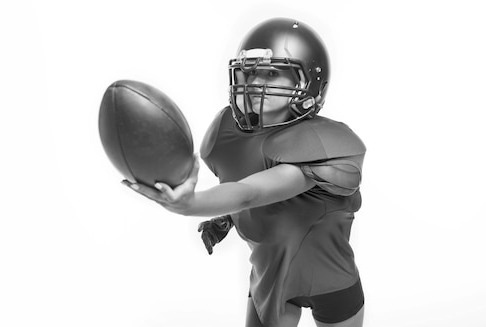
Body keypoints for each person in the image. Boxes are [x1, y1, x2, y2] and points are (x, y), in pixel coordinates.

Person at [123, 17, 366, 327]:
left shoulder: (323, 142)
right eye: (249, 73)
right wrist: (227, 217)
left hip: (332, 280)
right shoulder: (227, 131)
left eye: (273, 73)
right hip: (269, 275)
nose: (254, 83)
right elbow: (239, 186)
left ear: (309, 85)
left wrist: (191, 204)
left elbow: (252, 192)